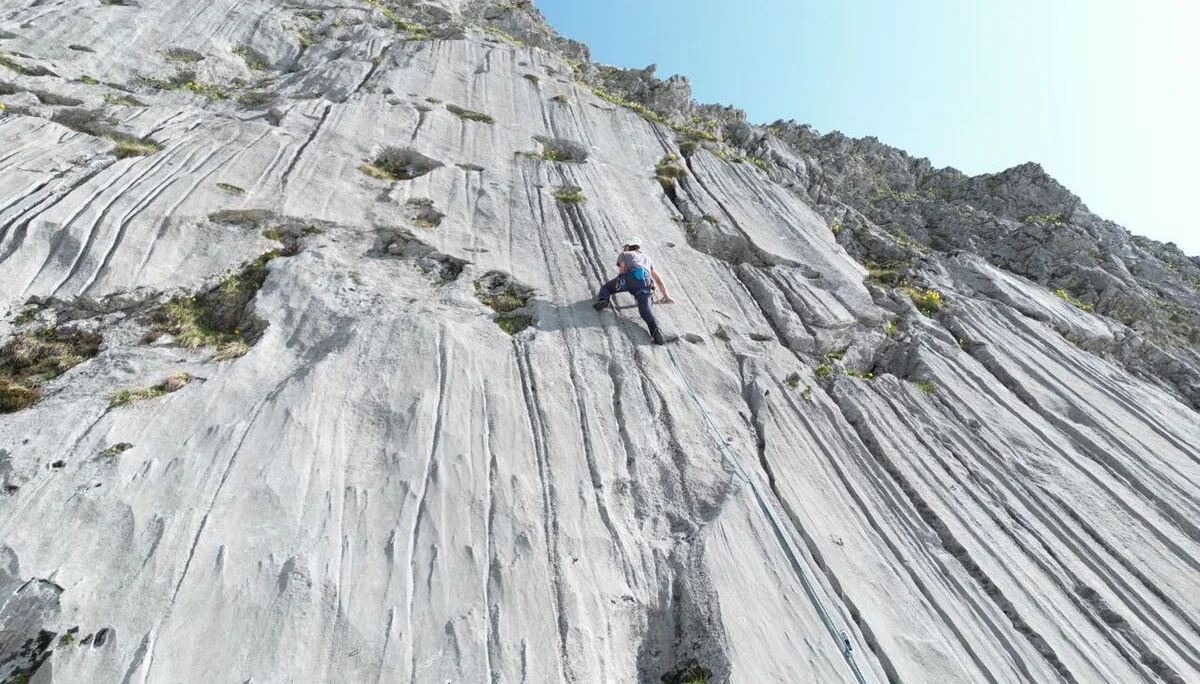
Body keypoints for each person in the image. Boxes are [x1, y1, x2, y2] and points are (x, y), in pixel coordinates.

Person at [593, 238, 675, 345]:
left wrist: (620, 282)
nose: (624, 248)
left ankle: (604, 299)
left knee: (607, 288)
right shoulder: (647, 258)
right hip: (645, 283)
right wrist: (666, 296)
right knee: (646, 311)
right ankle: (656, 332)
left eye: (625, 246)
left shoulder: (625, 254)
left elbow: (622, 270)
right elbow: (658, 280)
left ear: (628, 246)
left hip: (628, 279)